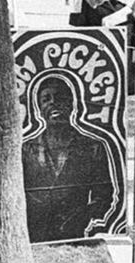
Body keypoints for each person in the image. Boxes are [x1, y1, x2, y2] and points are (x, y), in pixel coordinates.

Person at [21, 74, 120, 242]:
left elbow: (104, 196)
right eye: (46, 99)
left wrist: (82, 216)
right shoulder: (26, 149)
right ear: (38, 108)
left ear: (72, 104)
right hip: (33, 237)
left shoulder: (93, 147)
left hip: (74, 236)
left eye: (60, 98)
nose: (53, 102)